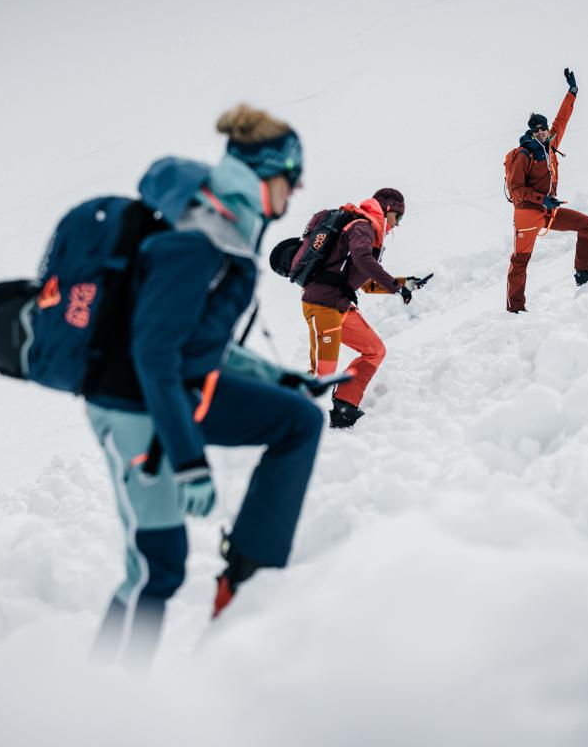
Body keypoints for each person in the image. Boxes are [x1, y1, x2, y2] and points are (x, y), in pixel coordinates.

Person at [85, 104, 324, 668]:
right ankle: (101, 700)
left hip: (173, 390)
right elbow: (154, 353)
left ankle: (246, 584)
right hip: (132, 402)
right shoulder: (196, 240)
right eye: (292, 176)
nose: (297, 189)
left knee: (297, 419)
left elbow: (196, 342)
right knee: (156, 567)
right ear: (264, 176)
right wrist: (190, 461)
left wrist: (275, 376)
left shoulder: (226, 230)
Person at [300, 188, 421, 429]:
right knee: (323, 373)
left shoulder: (368, 232)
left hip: (340, 305)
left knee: (374, 350)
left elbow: (364, 281)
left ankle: (344, 406)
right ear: (387, 209)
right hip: (322, 304)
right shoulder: (362, 226)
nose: (397, 224)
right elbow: (362, 259)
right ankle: (281, 416)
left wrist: (403, 284)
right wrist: (395, 288)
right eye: (398, 217)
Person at [503, 67, 588, 313]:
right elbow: (516, 190)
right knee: (520, 260)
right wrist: (541, 199)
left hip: (547, 210)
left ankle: (584, 272)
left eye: (543, 128)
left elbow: (562, 120)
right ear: (530, 132)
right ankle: (515, 309)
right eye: (536, 129)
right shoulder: (524, 154)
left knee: (587, 225)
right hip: (527, 213)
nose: (541, 132)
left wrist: (572, 92)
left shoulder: (551, 144)